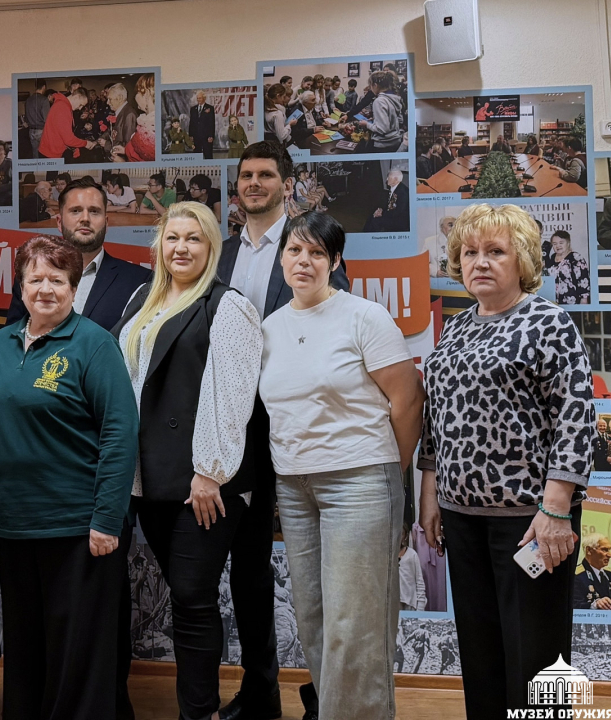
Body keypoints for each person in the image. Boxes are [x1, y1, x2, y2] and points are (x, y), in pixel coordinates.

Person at [418, 203, 594, 717]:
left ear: (522, 260)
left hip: (530, 520)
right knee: (481, 653)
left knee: (539, 656)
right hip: (461, 517)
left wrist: (556, 509)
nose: (480, 262)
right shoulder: (455, 328)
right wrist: (430, 492)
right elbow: (436, 416)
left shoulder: (550, 322)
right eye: (470, 252)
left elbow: (576, 417)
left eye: (495, 251)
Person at [260, 211, 423, 719]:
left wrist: (387, 472)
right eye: (294, 250)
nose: (303, 261)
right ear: (281, 258)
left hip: (360, 482)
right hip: (294, 488)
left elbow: (408, 401)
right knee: (313, 619)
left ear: (334, 262)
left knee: (355, 624)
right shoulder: (269, 328)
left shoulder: (364, 317)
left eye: (316, 253)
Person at [217, 140, 349, 720]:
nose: (254, 183)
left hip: (299, 429)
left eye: (266, 175)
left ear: (287, 185)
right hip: (234, 430)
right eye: (246, 175)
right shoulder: (219, 253)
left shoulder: (307, 246)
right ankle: (260, 691)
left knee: (316, 567)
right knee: (248, 568)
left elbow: (331, 329)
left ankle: (327, 694)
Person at [115, 201, 262, 720]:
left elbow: (233, 397)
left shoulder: (227, 306)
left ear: (212, 247)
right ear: (159, 245)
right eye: (172, 238)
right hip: (149, 477)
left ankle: (199, 713)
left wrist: (209, 473)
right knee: (184, 595)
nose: (181, 248)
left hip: (203, 482)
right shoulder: (141, 298)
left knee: (194, 597)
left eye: (193, 238)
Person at [0, 235, 138, 719]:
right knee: (27, 650)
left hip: (79, 527)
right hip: (13, 525)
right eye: (36, 279)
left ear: (74, 288)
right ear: (20, 286)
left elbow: (120, 434)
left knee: (78, 656)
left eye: (58, 279)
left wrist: (107, 519)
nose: (46, 289)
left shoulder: (94, 344)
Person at [6, 176, 151, 332]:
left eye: (94, 211)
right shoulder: (30, 276)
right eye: (75, 211)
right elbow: (12, 339)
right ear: (59, 222)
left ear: (106, 223)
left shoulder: (140, 281)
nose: (85, 219)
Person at [352, 71, 403, 152]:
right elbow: (400, 120)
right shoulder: (394, 98)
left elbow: (382, 129)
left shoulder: (379, 101)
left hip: (384, 144)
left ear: (375, 85)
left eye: (370, 86)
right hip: (395, 140)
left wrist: (366, 124)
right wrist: (376, 119)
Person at [39, 88, 95, 160]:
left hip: (50, 150)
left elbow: (62, 133)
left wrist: (74, 147)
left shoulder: (62, 105)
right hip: (50, 154)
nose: (80, 108)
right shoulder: (63, 108)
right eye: (81, 105)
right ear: (76, 97)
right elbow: (68, 140)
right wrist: (85, 143)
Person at [574, 534, 611, 610]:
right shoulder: (576, 575)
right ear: (589, 550)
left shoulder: (610, 575)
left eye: (609, 550)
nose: (610, 555)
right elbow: (573, 605)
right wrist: (595, 605)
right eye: (604, 550)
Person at [549, 229, 590, 305]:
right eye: (554, 244)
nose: (558, 246)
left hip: (572, 302)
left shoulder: (576, 258)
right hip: (553, 302)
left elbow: (583, 279)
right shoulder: (552, 258)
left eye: (561, 243)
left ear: (568, 243)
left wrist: (584, 299)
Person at [362, 169, 409, 233]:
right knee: (372, 216)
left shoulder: (403, 193)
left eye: (389, 177)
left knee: (375, 221)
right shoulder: (395, 187)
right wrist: (381, 210)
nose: (386, 179)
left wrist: (382, 213)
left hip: (399, 220)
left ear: (396, 179)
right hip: (393, 215)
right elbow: (389, 205)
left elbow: (398, 212)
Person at [124, 73, 157, 162]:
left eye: (137, 92)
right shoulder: (148, 121)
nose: (135, 96)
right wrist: (125, 150)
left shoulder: (151, 129)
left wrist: (122, 163)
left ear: (147, 94)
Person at [399, 526, 428, 612]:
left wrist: (420, 609)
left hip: (409, 604)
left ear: (405, 536)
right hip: (392, 603)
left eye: (401, 534)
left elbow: (419, 581)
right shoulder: (387, 556)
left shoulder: (411, 554)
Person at [107, 82, 138, 154]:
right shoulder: (120, 111)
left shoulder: (129, 114)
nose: (107, 102)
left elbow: (128, 145)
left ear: (120, 98)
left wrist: (106, 144)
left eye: (110, 99)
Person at [25, 78, 51, 158]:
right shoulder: (44, 100)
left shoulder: (28, 100)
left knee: (35, 155)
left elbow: (26, 118)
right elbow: (47, 119)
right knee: (46, 154)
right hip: (42, 131)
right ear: (44, 87)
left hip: (31, 131)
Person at [190, 90, 216, 159]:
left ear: (204, 98)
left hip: (206, 137)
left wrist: (211, 136)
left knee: (208, 155)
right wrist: (191, 135)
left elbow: (212, 123)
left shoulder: (210, 108)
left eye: (200, 98)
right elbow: (191, 123)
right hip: (196, 136)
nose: (198, 99)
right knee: (196, 155)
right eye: (197, 98)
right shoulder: (193, 109)